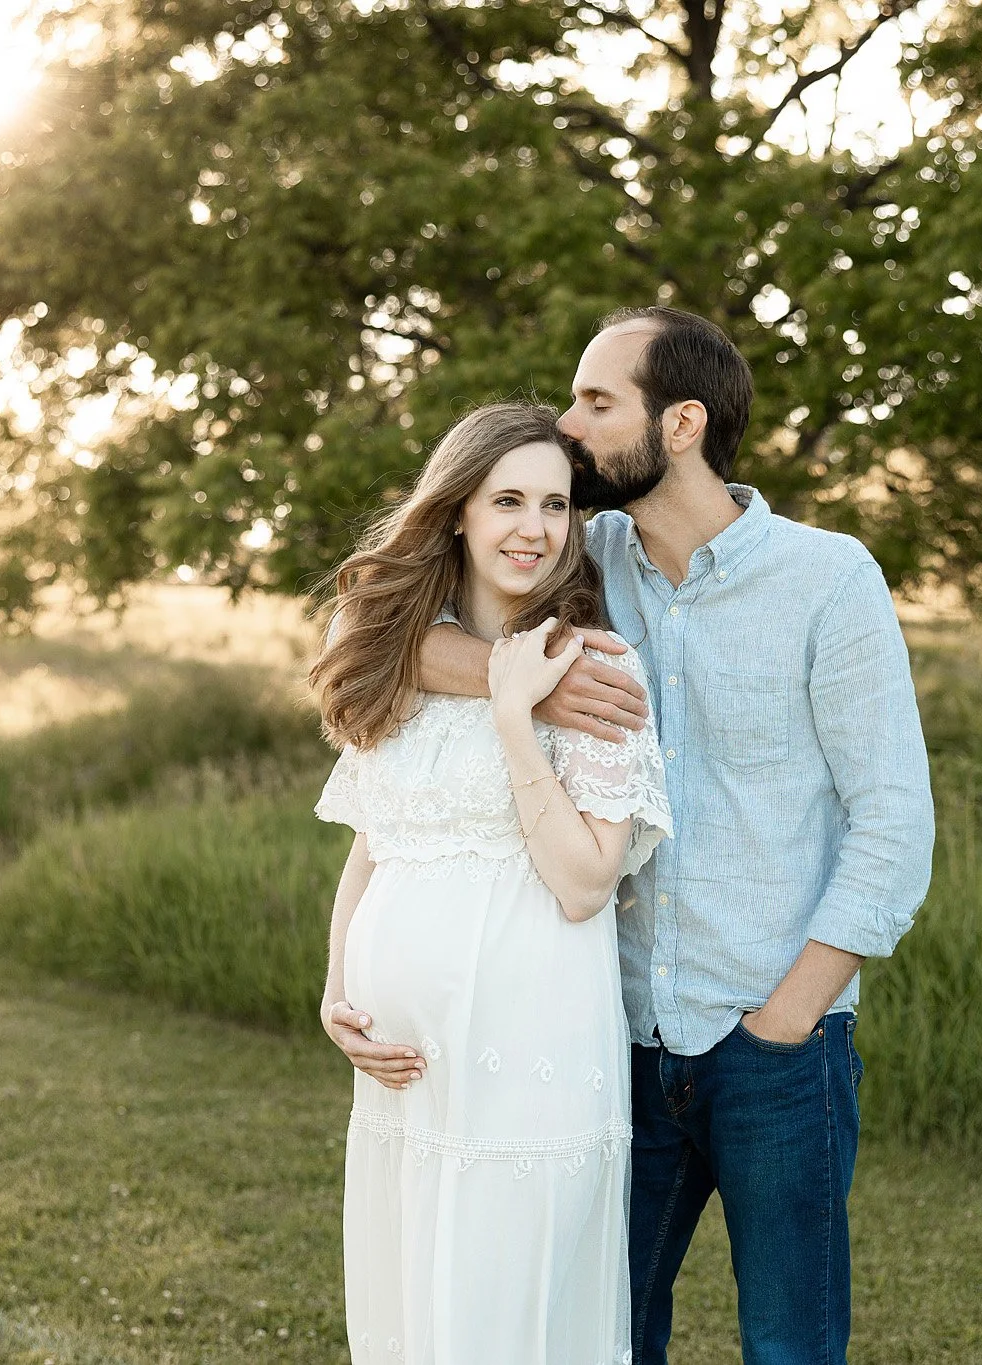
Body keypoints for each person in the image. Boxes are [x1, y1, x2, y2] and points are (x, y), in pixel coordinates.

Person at [418, 308, 936, 1365]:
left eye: (596, 402)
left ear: (683, 423)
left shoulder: (828, 579)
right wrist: (528, 693)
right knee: (601, 1340)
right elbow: (371, 631)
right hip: (602, 1039)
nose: (567, 426)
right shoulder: (577, 557)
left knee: (790, 1349)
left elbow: (892, 826)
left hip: (775, 1050)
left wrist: (785, 1021)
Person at [310, 401, 673, 1364]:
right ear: (457, 511)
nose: (534, 528)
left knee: (505, 1309)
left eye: (555, 505)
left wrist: (518, 721)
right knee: (415, 1303)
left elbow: (587, 882)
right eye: (507, 500)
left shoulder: (597, 665)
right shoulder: (406, 657)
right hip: (403, 1068)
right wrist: (338, 988)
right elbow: (377, 845)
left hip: (530, 1048)